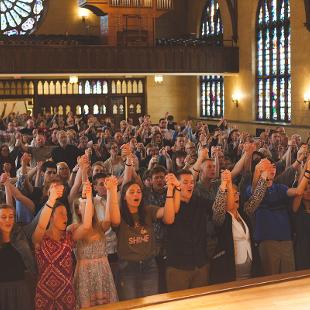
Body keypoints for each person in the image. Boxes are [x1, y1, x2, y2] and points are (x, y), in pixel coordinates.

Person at [114, 173, 179, 300]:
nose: (136, 194)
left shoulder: (148, 210)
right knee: (130, 304)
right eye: (131, 192)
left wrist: (171, 190)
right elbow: (113, 219)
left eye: (138, 191)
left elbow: (169, 216)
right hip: (128, 267)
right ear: (124, 197)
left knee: (151, 303)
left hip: (149, 264)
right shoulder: (119, 215)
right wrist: (111, 190)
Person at [244, 158, 308, 276]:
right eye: (267, 167)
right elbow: (255, 194)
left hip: (286, 240)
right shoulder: (250, 188)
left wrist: (307, 172)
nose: (271, 169)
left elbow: (298, 192)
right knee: (271, 279)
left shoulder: (280, 187)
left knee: (289, 279)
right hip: (267, 240)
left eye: (273, 166)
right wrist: (258, 174)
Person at [71, 177, 119, 308]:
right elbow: (86, 226)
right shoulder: (74, 228)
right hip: (85, 274)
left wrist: (110, 191)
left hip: (103, 271)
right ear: (77, 210)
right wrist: (87, 195)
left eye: (90, 204)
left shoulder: (99, 226)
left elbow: (109, 218)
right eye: (84, 205)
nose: (88, 207)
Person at [210, 170, 261, 283]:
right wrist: (225, 184)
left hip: (250, 268)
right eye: (232, 194)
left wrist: (263, 178)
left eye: (237, 193)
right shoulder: (221, 217)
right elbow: (218, 208)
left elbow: (256, 199)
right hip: (229, 270)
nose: (236, 196)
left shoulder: (243, 213)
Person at [32, 183, 76, 310]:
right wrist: (51, 199)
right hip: (45, 295)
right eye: (61, 213)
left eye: (66, 214)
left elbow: (87, 226)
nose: (65, 217)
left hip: (67, 293)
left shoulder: (69, 236)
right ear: (50, 217)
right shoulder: (40, 238)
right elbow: (41, 225)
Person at [0, 204, 36, 310]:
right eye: (3, 217)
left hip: (21, 291)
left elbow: (38, 222)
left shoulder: (21, 238)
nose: (8, 220)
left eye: (11, 216)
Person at [292, 159, 310, 270]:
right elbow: (299, 188)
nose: (308, 190)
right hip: (301, 251)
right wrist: (306, 169)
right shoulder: (297, 208)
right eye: (306, 188)